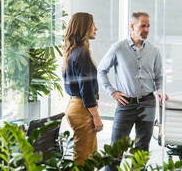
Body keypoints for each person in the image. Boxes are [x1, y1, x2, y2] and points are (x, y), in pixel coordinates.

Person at [98, 11, 168, 171]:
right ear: (132, 26)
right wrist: (112, 92)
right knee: (116, 148)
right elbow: (101, 70)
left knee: (142, 148)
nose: (146, 29)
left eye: (148, 26)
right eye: (143, 25)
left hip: (148, 103)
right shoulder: (118, 48)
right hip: (126, 104)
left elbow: (159, 76)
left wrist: (159, 90)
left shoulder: (154, 51)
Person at [62, 12, 103, 165]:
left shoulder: (72, 51)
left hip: (75, 105)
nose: (96, 28)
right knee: (84, 157)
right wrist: (96, 116)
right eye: (93, 25)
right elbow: (86, 89)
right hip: (82, 109)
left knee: (86, 154)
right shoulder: (82, 53)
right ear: (84, 27)